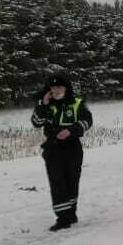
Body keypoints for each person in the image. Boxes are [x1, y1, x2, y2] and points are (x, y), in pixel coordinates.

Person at [31, 73, 93, 231]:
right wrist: (43, 105)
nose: (56, 90)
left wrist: (71, 131)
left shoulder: (77, 102)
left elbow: (87, 121)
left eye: (59, 87)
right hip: (53, 149)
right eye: (53, 87)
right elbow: (36, 123)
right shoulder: (46, 104)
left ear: (66, 88)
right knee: (57, 183)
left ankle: (71, 213)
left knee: (71, 181)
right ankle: (63, 218)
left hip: (72, 147)